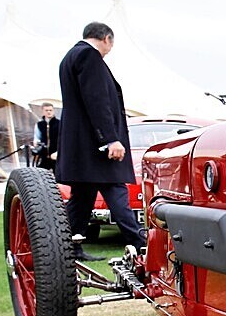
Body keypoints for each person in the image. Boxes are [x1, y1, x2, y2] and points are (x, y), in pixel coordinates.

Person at [55, 21, 145, 261]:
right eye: (110, 44)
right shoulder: (89, 56)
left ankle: (69, 246)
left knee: (81, 200)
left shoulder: (70, 57)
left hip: (82, 146)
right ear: (107, 38)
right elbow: (97, 101)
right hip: (97, 146)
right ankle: (139, 243)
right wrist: (111, 139)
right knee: (116, 192)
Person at [32, 102, 60, 169]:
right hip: (44, 155)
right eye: (46, 110)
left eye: (50, 110)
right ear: (43, 111)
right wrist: (36, 144)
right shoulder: (39, 124)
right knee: (41, 173)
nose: (49, 112)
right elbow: (37, 137)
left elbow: (63, 139)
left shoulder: (59, 123)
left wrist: (58, 151)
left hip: (56, 154)